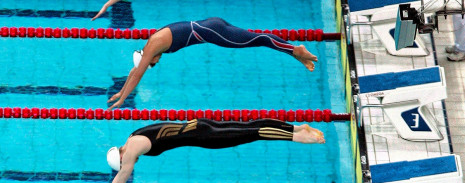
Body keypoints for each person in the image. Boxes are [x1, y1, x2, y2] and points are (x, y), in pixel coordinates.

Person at [98, 118, 325, 183]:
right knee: (248, 127)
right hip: (199, 125)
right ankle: (296, 128)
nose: (131, 164)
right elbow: (120, 177)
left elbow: (120, 181)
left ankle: (296, 136)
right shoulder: (132, 136)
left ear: (120, 157)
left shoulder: (131, 150)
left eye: (126, 164)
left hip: (204, 136)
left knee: (250, 133)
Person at [106, 17, 318, 109]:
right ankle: (295, 54)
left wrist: (122, 98)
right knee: (255, 39)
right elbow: (135, 72)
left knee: (258, 39)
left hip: (214, 32)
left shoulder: (152, 47)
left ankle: (295, 50)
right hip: (212, 24)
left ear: (147, 58)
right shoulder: (153, 43)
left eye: (153, 64)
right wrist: (120, 92)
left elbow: (137, 74)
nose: (156, 62)